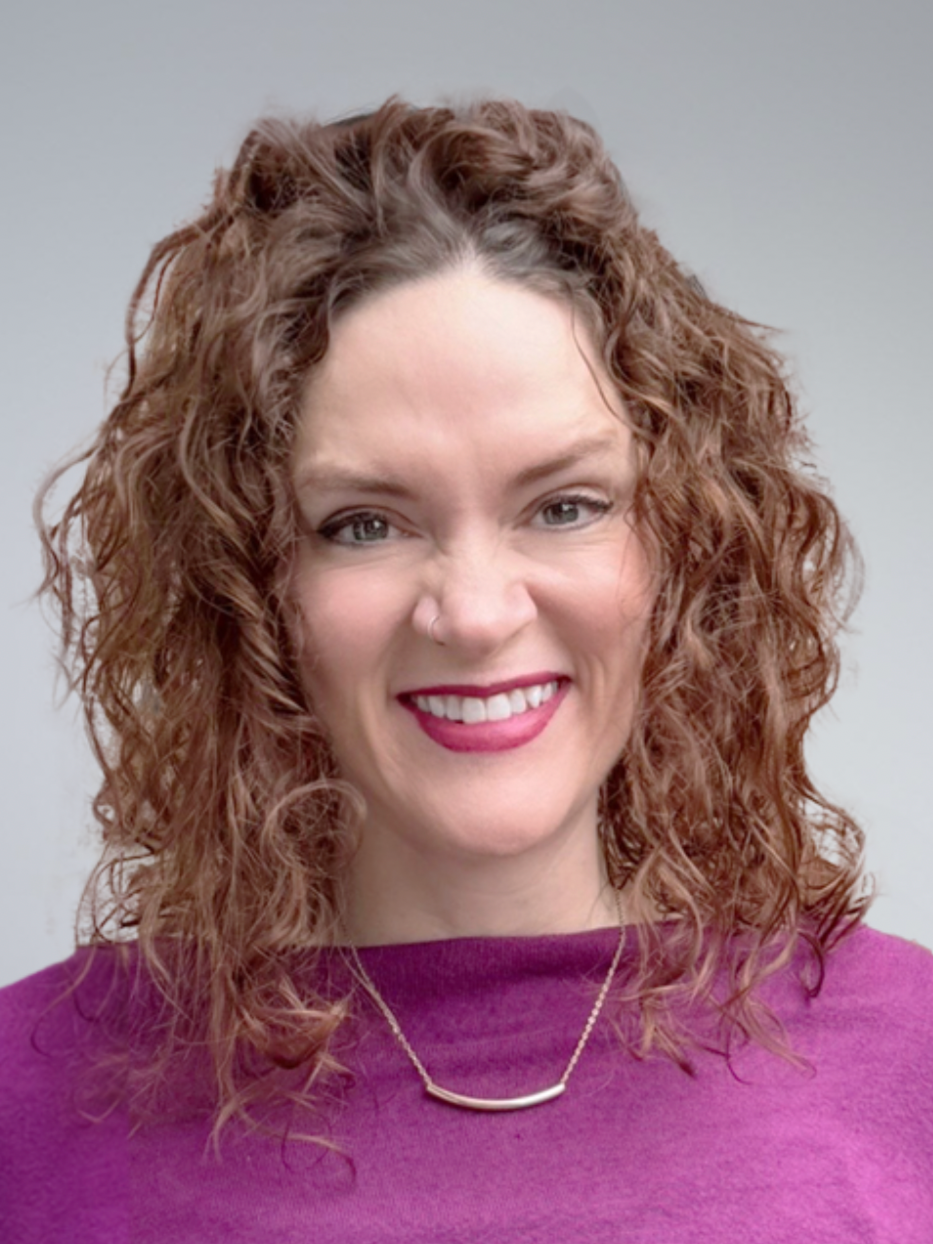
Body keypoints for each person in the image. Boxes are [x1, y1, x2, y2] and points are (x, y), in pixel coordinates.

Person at [1, 97, 931, 1242]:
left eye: (565, 505)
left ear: (685, 544)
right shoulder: (32, 1100)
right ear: (243, 583)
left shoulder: (908, 1060)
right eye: (364, 523)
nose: (478, 612)